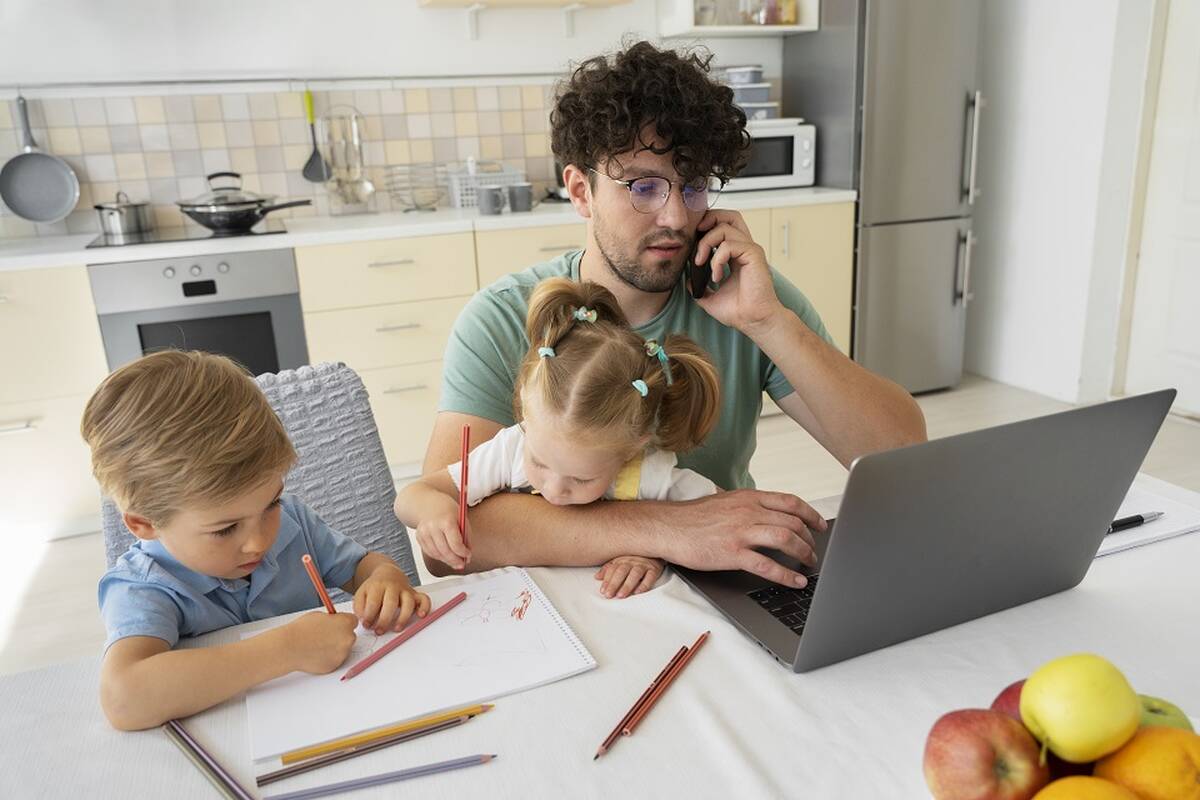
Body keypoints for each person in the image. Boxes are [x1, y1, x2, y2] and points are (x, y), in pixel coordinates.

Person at [410, 41, 927, 588]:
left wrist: (768, 323)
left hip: (718, 586)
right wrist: (668, 528)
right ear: (581, 191)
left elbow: (903, 459)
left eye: (694, 185)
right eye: (645, 187)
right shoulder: (502, 317)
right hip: (558, 603)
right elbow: (446, 546)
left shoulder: (749, 299)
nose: (677, 217)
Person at [83, 350, 430, 731]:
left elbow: (365, 567)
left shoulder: (293, 520)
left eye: (271, 504)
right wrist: (288, 650)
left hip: (338, 716)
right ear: (144, 523)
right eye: (225, 529)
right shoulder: (143, 585)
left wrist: (385, 579)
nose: (259, 541)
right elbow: (124, 698)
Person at [397, 277, 723, 599]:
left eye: (581, 479)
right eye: (539, 463)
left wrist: (651, 552)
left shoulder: (648, 473)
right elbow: (411, 496)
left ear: (633, 447)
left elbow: (719, 515)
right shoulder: (511, 449)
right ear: (524, 407)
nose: (554, 490)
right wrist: (434, 510)